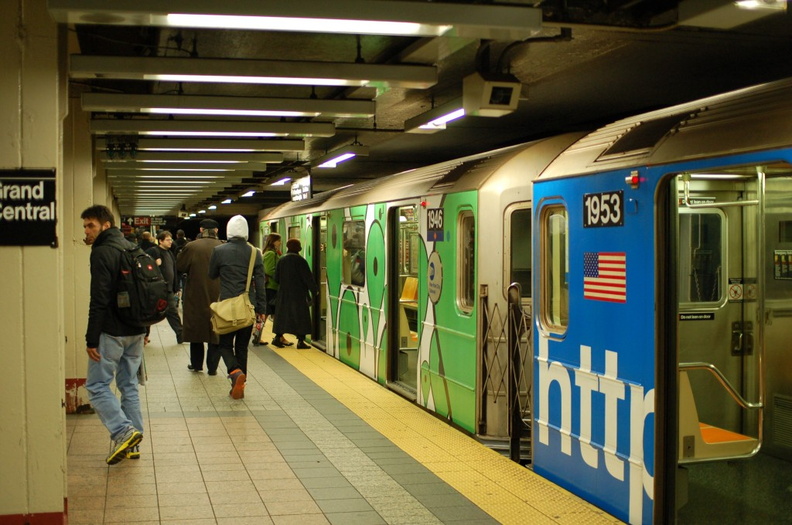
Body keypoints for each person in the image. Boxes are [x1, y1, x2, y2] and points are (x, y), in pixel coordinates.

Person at [81, 204, 145, 464]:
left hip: (113, 331)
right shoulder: (132, 247)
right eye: (85, 226)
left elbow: (99, 298)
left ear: (105, 225)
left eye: (91, 225)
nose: (87, 231)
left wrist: (91, 338)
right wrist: (145, 327)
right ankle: (135, 443)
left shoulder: (102, 252)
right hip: (136, 330)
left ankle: (124, 431)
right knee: (128, 385)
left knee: (96, 386)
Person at [208, 215, 267, 399]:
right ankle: (242, 383)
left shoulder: (219, 251)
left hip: (226, 306)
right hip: (248, 307)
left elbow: (211, 275)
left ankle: (234, 373)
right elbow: (260, 282)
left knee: (225, 345)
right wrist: (262, 309)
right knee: (242, 347)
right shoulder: (254, 252)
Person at [177, 219, 222, 375]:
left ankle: (196, 364)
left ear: (201, 229)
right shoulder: (224, 246)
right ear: (216, 230)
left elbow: (180, 266)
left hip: (195, 294)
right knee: (216, 330)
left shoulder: (191, 246)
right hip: (219, 295)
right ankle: (213, 367)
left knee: (196, 330)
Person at [272, 238, 317, 349]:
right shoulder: (301, 261)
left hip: (283, 294)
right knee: (301, 317)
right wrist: (314, 290)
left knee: (282, 316)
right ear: (298, 248)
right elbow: (308, 278)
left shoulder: (281, 260)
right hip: (299, 294)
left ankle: (278, 338)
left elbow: (276, 278)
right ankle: (301, 341)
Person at [145, 230, 183, 344]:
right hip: (157, 289)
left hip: (168, 288)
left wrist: (176, 286)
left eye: (171, 239)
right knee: (150, 313)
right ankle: (144, 335)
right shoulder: (153, 251)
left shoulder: (170, 253)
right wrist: (154, 264)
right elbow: (145, 264)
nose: (170, 242)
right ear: (160, 241)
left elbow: (173, 271)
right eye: (167, 240)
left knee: (172, 312)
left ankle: (180, 334)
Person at [260, 233, 291, 347]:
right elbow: (269, 270)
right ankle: (257, 333)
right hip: (271, 287)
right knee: (268, 312)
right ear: (273, 241)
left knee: (275, 313)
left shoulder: (273, 253)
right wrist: (280, 277)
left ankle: (279, 336)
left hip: (273, 287)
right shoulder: (270, 254)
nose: (280, 243)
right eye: (278, 240)